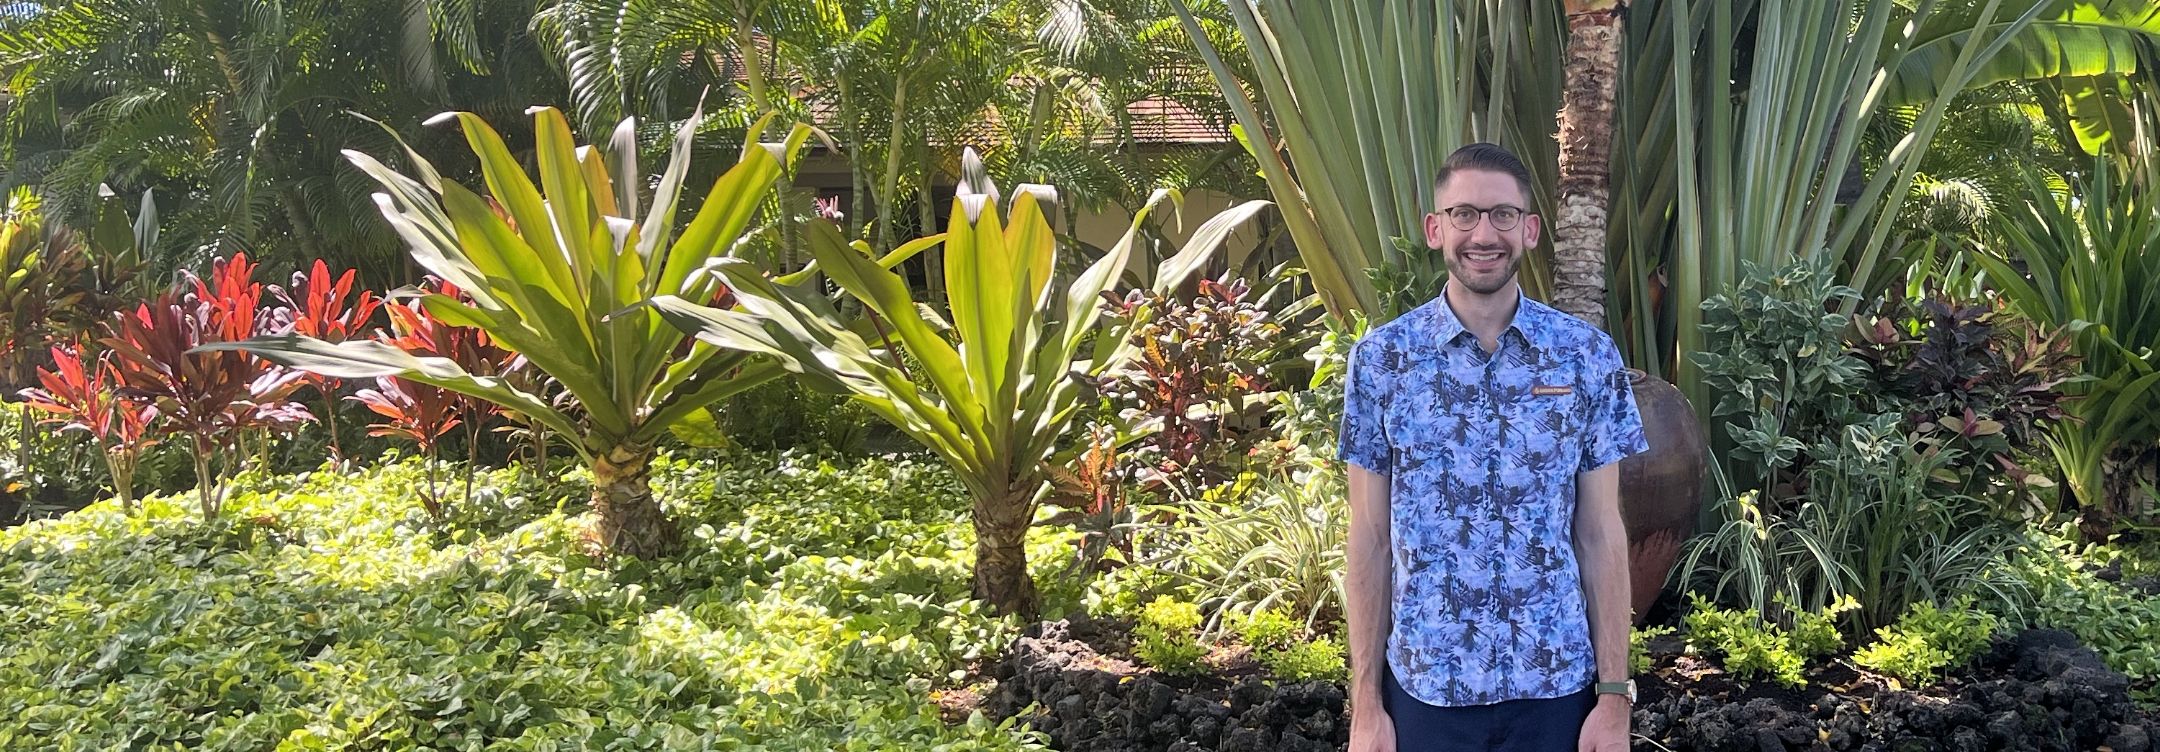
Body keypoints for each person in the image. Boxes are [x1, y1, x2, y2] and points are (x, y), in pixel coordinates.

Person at [1338, 143, 1649, 752]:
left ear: (1530, 230)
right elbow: (1370, 539)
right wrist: (1366, 706)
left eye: (1503, 215)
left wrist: (1614, 696)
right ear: (1435, 228)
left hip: (1556, 689)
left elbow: (1601, 532)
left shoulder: (1584, 357)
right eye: (1464, 214)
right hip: (1427, 692)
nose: (1484, 233)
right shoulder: (1383, 362)